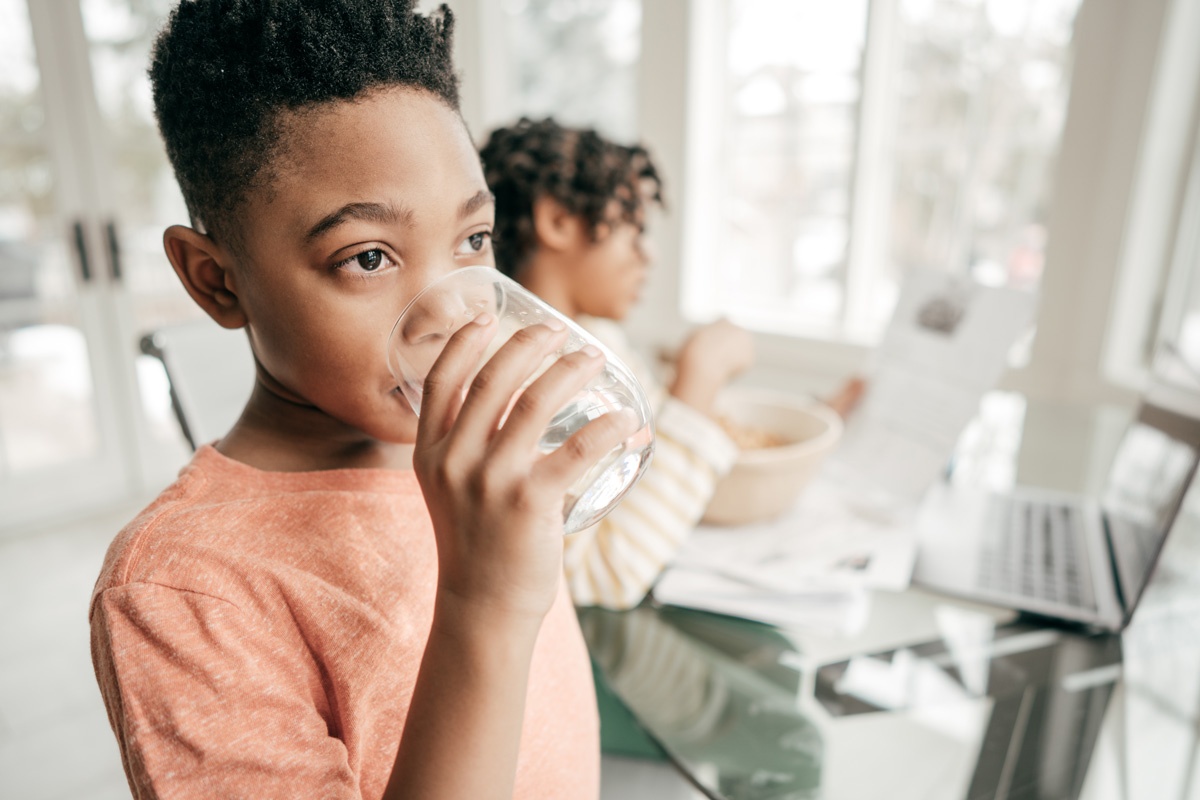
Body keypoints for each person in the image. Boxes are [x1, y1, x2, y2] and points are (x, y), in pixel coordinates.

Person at [88, 4, 635, 798]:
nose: (454, 308)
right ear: (216, 278)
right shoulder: (179, 593)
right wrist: (485, 604)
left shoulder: (469, 452)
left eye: (473, 241)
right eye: (369, 256)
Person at [479, 118, 865, 610]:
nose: (650, 255)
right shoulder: (525, 371)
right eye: (633, 230)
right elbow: (601, 575)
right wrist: (699, 375)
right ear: (557, 221)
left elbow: (659, 464)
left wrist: (813, 414)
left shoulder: (600, 340)